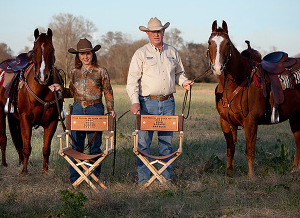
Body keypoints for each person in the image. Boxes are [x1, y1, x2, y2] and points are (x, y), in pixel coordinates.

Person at [126, 17, 193, 185]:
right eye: (153, 32)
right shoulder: (140, 53)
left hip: (168, 102)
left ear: (163, 32)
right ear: (148, 34)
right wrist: (135, 102)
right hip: (147, 103)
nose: (156, 34)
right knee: (143, 143)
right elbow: (132, 81)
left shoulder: (173, 52)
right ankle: (144, 181)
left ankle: (164, 179)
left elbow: (179, 73)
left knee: (166, 143)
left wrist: (183, 81)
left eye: (159, 31)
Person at [49, 38, 116, 183]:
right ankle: (76, 178)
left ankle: (93, 177)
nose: (85, 57)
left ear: (93, 54)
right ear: (78, 56)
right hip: (78, 109)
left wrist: (111, 109)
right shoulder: (74, 72)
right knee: (76, 145)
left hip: (96, 109)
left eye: (88, 53)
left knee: (95, 146)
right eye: (82, 54)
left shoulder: (101, 71)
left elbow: (108, 91)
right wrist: (60, 89)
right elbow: (72, 92)